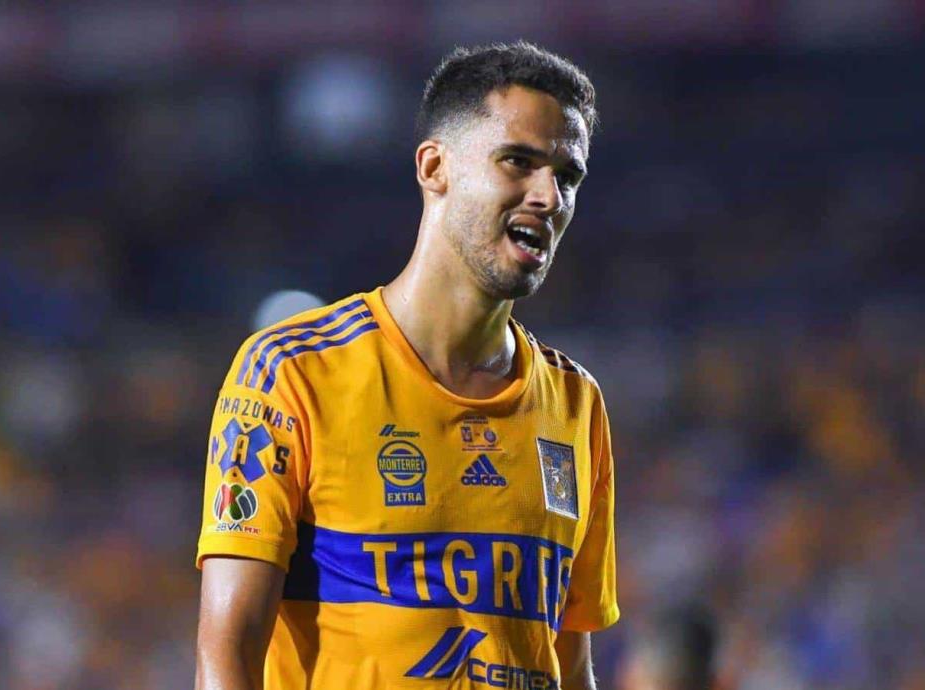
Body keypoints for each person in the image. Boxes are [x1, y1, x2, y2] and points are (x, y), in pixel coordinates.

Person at [195, 41, 619, 690]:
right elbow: (227, 654)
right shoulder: (292, 372)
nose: (548, 195)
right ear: (435, 167)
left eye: (567, 176)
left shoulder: (575, 403)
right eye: (519, 161)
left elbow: (570, 661)